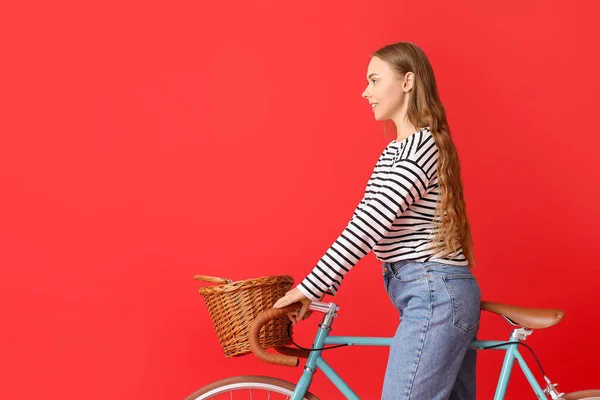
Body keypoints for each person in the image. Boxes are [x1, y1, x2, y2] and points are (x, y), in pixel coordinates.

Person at [272, 41, 481, 400]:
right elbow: (367, 219)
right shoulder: (396, 151)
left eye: (374, 80)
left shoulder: (418, 149)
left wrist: (309, 287)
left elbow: (368, 226)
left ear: (407, 82)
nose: (365, 92)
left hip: (434, 294)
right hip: (432, 292)